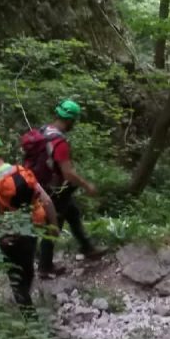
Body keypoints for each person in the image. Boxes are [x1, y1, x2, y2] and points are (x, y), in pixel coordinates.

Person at [0, 133, 58, 318]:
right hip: (30, 229)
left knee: (16, 279)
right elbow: (47, 201)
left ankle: (30, 319)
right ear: (1, 150)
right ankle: (28, 305)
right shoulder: (22, 171)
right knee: (28, 270)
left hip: (6, 237)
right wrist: (54, 226)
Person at [20, 99, 102, 279]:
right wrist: (87, 185)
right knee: (53, 224)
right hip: (55, 189)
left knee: (72, 213)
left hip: (38, 185)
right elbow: (68, 173)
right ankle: (45, 267)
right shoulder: (59, 142)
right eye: (74, 120)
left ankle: (87, 247)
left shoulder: (43, 131)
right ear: (70, 120)